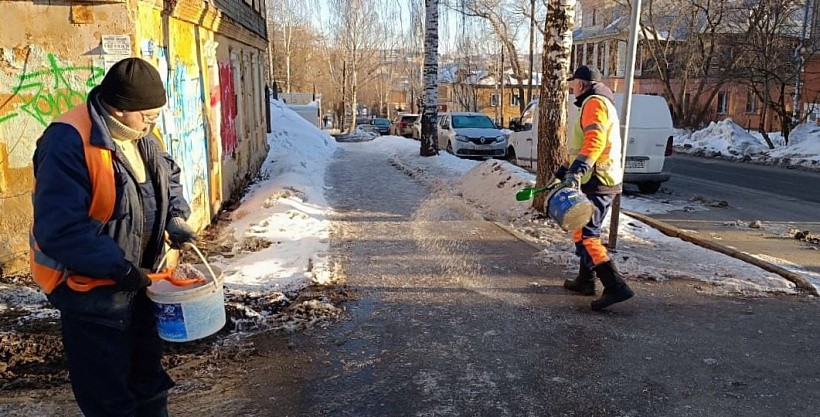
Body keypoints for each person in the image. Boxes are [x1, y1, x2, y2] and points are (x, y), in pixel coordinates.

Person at [30, 57, 199, 416]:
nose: (154, 122)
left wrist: (176, 219)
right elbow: (60, 229)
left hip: (138, 286)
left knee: (149, 383)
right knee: (110, 401)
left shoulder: (141, 137)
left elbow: (167, 180)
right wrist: (118, 269)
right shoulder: (67, 141)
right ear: (121, 108)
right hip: (92, 296)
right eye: (148, 115)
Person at [556, 65, 634, 310]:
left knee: (587, 235)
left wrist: (578, 170)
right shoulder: (596, 102)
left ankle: (615, 286)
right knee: (584, 229)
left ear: (580, 83)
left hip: (598, 178)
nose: (571, 87)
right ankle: (585, 280)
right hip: (597, 177)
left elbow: (595, 140)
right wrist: (566, 169)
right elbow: (584, 143)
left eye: (572, 83)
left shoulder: (594, 103)